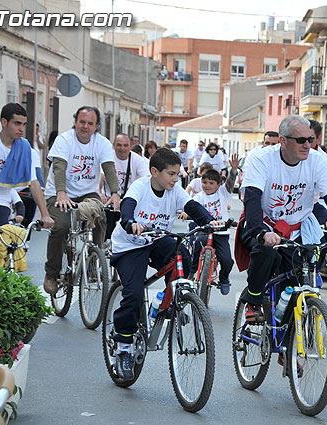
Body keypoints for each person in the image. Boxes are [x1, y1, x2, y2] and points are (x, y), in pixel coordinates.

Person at [109, 148, 222, 379]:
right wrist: (129, 221)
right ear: (154, 171)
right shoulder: (140, 187)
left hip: (157, 240)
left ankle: (166, 300)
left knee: (183, 256)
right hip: (131, 244)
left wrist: (210, 221)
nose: (175, 179)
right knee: (133, 294)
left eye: (177, 174)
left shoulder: (175, 191)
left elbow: (192, 207)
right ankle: (123, 347)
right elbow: (128, 205)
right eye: (170, 174)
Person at [239, 115, 327, 322]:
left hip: (299, 227)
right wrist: (260, 232)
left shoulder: (318, 161)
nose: (307, 145)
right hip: (265, 224)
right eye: (301, 140)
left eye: (310, 139)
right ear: (283, 141)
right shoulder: (261, 158)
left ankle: (288, 336)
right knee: (266, 252)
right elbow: (252, 197)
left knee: (299, 280)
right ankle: (253, 300)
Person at [42, 106, 120, 295]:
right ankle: (51, 273)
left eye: (90, 123)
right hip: (58, 192)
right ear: (76, 122)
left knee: (101, 217)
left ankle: (94, 261)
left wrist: (115, 193)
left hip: (87, 193)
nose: (85, 126)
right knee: (60, 226)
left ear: (96, 126)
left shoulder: (102, 143)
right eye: (82, 122)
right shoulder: (64, 140)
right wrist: (61, 193)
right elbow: (59, 167)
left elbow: (109, 168)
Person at [0, 103, 54, 261]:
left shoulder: (24, 149)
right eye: (17, 123)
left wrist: (45, 214)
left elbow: (33, 183)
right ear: (4, 122)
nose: (21, 129)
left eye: (24, 124)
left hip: (2, 203)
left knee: (0, 247)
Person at [189, 154, 239, 295]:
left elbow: (230, 182)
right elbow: (192, 206)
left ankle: (224, 279)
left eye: (211, 183)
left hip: (221, 233)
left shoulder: (223, 193)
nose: (207, 185)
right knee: (199, 243)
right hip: (205, 231)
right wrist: (186, 213)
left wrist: (233, 170)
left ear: (218, 185)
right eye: (204, 182)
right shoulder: (199, 196)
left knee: (227, 260)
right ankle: (192, 271)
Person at [100, 134, 150, 241]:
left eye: (125, 145)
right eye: (119, 145)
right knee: (105, 231)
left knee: (129, 230)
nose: (122, 148)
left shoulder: (138, 160)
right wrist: (100, 193)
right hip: (109, 199)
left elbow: (146, 179)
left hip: (128, 199)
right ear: (113, 145)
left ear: (131, 146)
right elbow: (100, 176)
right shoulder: (108, 157)